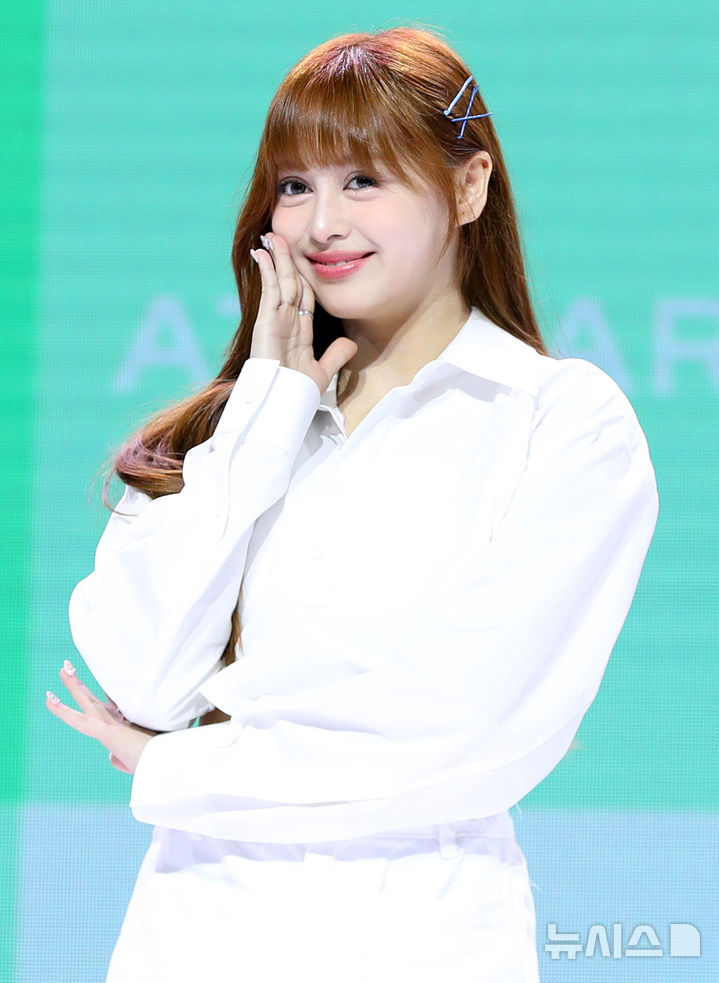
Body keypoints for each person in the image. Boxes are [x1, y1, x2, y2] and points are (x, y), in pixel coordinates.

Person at [45, 25, 659, 983]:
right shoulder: (238, 427)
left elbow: (461, 727)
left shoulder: (560, 421)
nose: (320, 223)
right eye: (294, 185)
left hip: (416, 938)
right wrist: (264, 411)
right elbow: (148, 680)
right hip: (193, 934)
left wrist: (177, 768)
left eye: (363, 180)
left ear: (468, 186)